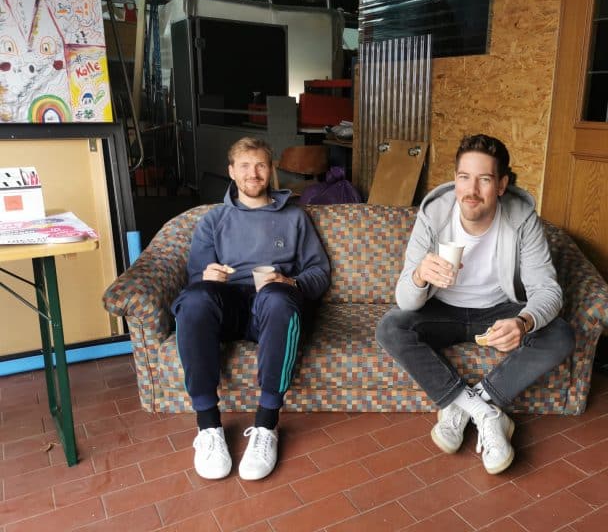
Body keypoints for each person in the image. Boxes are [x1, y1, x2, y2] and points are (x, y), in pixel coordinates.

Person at [376, 134, 574, 474]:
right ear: (455, 179)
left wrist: (523, 322)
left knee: (560, 334)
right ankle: (484, 412)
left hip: (498, 312)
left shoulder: (522, 218)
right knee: (390, 327)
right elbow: (404, 300)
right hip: (442, 311)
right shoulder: (433, 215)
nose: (472, 190)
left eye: (484, 179)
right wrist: (420, 275)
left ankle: (462, 406)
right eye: (464, 177)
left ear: (501, 185)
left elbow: (547, 290)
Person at [172, 137, 330, 481]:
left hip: (271, 306)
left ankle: (266, 425)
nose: (253, 173)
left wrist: (291, 282)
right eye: (244, 166)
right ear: (231, 171)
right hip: (227, 306)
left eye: (260, 165)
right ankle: (208, 427)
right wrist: (207, 275)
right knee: (194, 299)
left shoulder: (294, 217)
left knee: (277, 297)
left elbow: (319, 274)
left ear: (270, 170)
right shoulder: (214, 220)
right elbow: (195, 278)